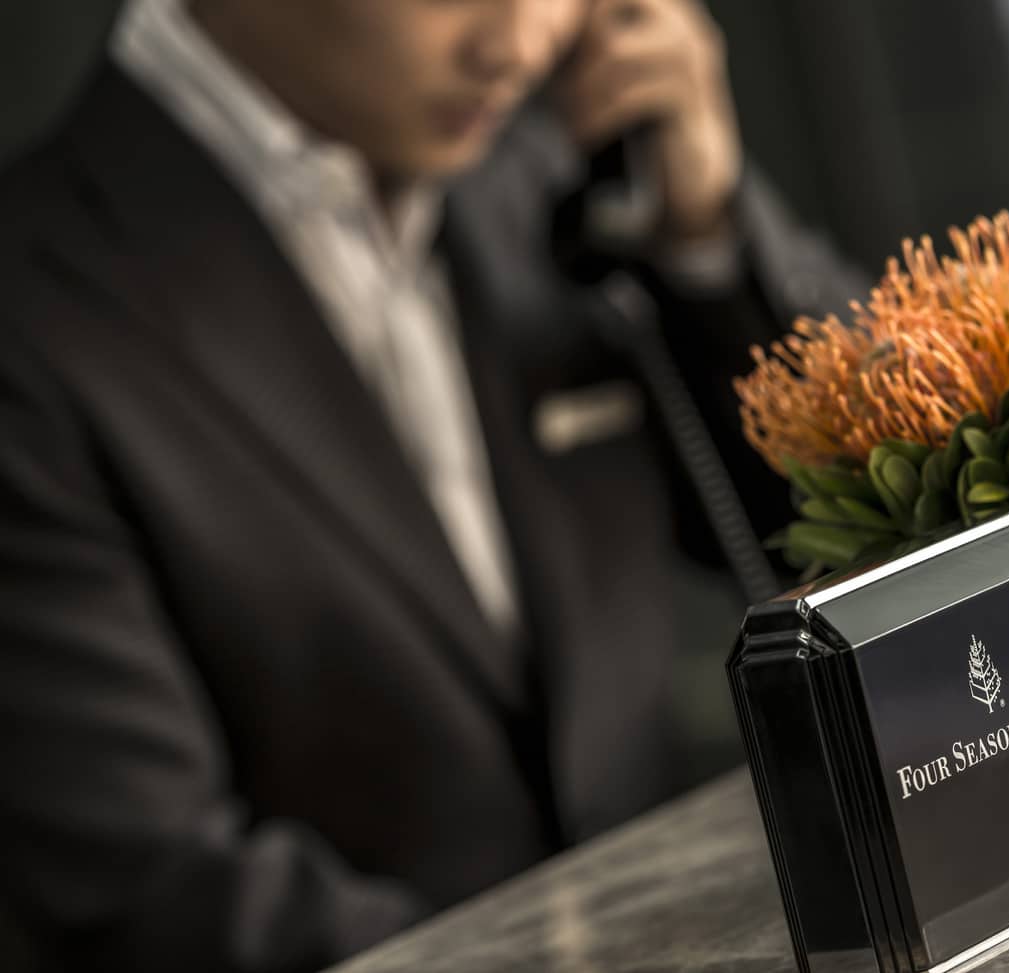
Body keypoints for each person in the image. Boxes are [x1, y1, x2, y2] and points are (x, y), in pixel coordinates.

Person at [0, 0, 861, 969]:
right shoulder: (36, 308)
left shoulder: (554, 180)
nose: (525, 43)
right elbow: (148, 889)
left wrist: (705, 244)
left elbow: (853, 531)